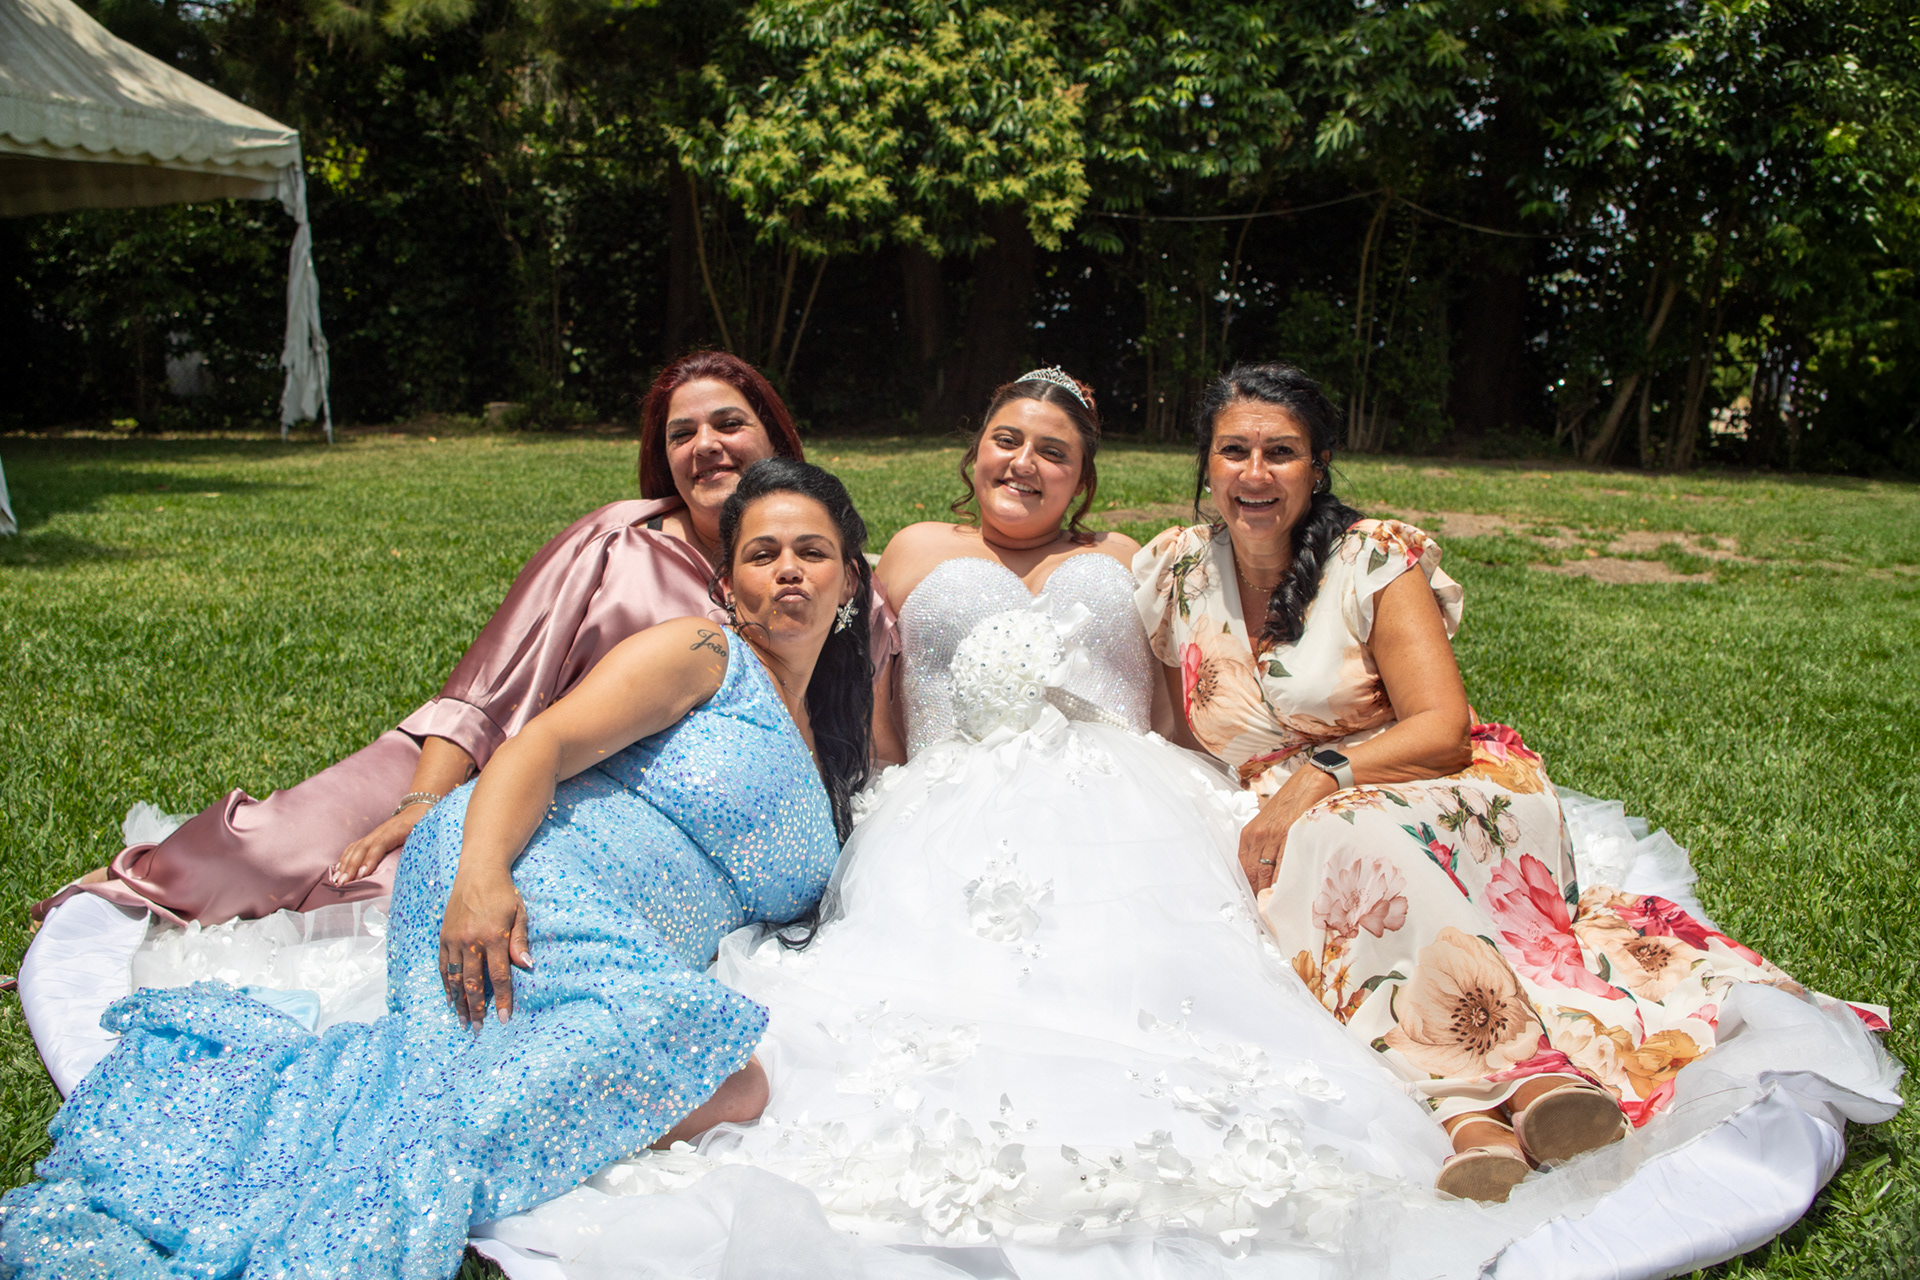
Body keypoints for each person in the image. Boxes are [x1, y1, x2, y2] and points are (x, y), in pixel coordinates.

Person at [503, 368, 1453, 1258]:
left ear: (1082, 481)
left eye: (1053, 451)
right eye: (1007, 440)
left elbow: (1173, 699)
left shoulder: (1128, 559)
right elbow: (846, 656)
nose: (1024, 462)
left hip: (1127, 802)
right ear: (974, 456)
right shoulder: (913, 550)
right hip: (948, 803)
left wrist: (1221, 788)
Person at [0, 459, 875, 1278]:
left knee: (716, 1073)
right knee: (731, 1079)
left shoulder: (830, 749)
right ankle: (378, 1183)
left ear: (847, 582)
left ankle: (411, 1149)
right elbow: (540, 745)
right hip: (520, 875)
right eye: (762, 553)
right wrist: (482, 877)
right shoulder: (703, 652)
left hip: (622, 933)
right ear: (727, 582)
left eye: (812, 552)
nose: (787, 571)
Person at [1131, 362, 1856, 1201]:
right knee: (1321, 861)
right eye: (1234, 451)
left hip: (1439, 782)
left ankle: (1522, 1084)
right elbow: (1173, 728)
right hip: (1300, 813)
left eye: (1281, 452)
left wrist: (1313, 783)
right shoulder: (1177, 572)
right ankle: (1476, 1116)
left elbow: (1440, 728)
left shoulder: (1374, 557)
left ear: (1318, 465)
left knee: (1343, 840)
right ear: (1206, 463)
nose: (1255, 473)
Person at [34, 351, 901, 928]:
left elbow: (856, 744)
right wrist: (421, 803)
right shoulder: (617, 541)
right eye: (682, 433)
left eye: (728, 424)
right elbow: (488, 688)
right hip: (474, 757)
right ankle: (119, 895)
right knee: (286, 851)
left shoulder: (829, 585)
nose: (706, 446)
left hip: (610, 816)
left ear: (774, 438)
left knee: (382, 903)